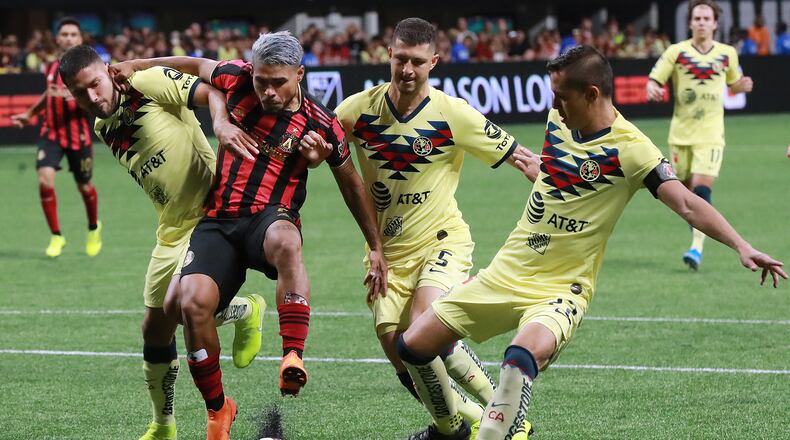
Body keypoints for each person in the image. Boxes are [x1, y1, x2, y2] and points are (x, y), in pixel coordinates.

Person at [396, 45, 786, 440]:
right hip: (505, 272)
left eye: (562, 97)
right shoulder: (557, 120)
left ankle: (500, 429)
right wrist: (536, 170)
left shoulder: (632, 149)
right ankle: (453, 428)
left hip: (561, 288)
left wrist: (741, 245)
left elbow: (686, 202)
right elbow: (555, 173)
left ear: (592, 94)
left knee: (519, 359)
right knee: (411, 347)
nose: (555, 106)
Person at [110, 31, 387, 440]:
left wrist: (375, 246)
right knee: (189, 303)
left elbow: (352, 185)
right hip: (218, 221)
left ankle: (292, 354)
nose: (269, 91)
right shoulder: (236, 78)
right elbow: (191, 63)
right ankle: (218, 409)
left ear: (300, 75)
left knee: (287, 241)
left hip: (270, 218)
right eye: (262, 81)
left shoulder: (320, 123)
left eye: (279, 82)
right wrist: (137, 66)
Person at [335, 17, 540, 438]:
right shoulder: (356, 111)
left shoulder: (452, 114)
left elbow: (520, 156)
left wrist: (562, 183)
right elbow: (320, 140)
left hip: (441, 240)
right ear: (388, 55)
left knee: (423, 324)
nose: (408, 70)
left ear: (434, 61)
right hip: (387, 251)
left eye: (417, 62)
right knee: (399, 350)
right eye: (401, 60)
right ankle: (453, 427)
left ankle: (507, 415)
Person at [58, 44, 267, 440]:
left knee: (185, 307)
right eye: (79, 93)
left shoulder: (145, 82)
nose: (91, 97)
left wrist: (219, 123)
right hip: (169, 228)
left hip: (208, 216)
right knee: (154, 331)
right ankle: (163, 425)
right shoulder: (103, 125)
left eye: (95, 84)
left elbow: (211, 92)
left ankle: (238, 320)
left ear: (107, 70)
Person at [646, 0, 753, 270]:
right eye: (698, 18)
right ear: (690, 22)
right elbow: (654, 79)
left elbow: (733, 84)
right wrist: (653, 88)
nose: (702, 22)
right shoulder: (677, 52)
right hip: (680, 135)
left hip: (711, 134)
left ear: (715, 24)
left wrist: (742, 85)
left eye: (707, 18)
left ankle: (696, 248)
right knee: (685, 196)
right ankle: (697, 240)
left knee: (702, 190)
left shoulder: (727, 53)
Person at [11, 18, 101, 258]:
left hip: (78, 136)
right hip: (50, 132)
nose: (69, 38)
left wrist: (79, 99)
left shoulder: (89, 69)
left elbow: (100, 100)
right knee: (45, 180)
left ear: (80, 39)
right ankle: (56, 236)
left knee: (84, 186)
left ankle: (93, 228)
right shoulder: (51, 66)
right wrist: (30, 113)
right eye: (65, 34)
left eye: (73, 34)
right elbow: (48, 94)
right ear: (58, 38)